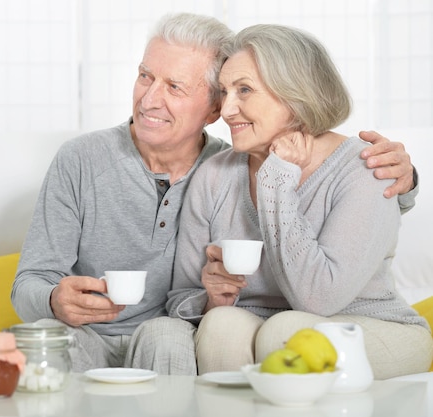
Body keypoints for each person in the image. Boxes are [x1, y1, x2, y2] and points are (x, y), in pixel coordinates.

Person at [11, 13, 419, 376]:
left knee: (247, 332)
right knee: (218, 329)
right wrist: (53, 300)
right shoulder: (202, 172)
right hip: (105, 334)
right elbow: (32, 282)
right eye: (145, 76)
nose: (150, 99)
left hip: (226, 332)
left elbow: (350, 218)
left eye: (174, 86)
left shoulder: (360, 165)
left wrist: (405, 180)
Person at [167, 23, 432, 379]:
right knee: (220, 326)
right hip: (264, 321)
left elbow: (318, 300)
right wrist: (211, 297)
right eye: (224, 91)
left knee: (287, 333)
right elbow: (180, 297)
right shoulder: (214, 175)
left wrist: (276, 181)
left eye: (244, 90)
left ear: (295, 93)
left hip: (370, 325)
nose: (227, 110)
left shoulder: (366, 168)